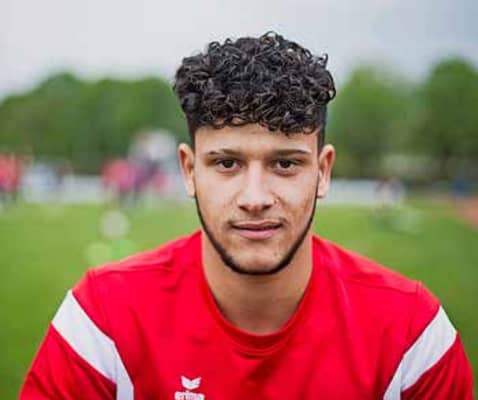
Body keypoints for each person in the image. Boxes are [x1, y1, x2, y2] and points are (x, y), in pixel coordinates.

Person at [21, 32, 473, 399]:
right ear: (189, 170)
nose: (254, 198)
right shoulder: (100, 320)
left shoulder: (412, 335)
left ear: (323, 171)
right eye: (226, 163)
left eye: (285, 163)